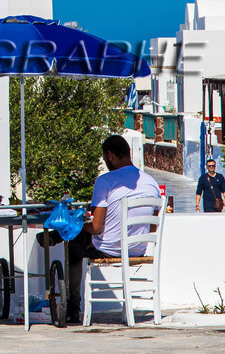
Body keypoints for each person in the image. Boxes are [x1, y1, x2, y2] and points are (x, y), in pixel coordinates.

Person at [37, 134, 161, 319]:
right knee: (81, 234)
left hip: (110, 249)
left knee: (74, 242)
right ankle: (56, 236)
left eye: (105, 159)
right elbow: (152, 227)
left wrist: (79, 223)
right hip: (138, 248)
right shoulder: (151, 182)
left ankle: (73, 309)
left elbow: (95, 228)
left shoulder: (106, 181)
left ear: (110, 156)